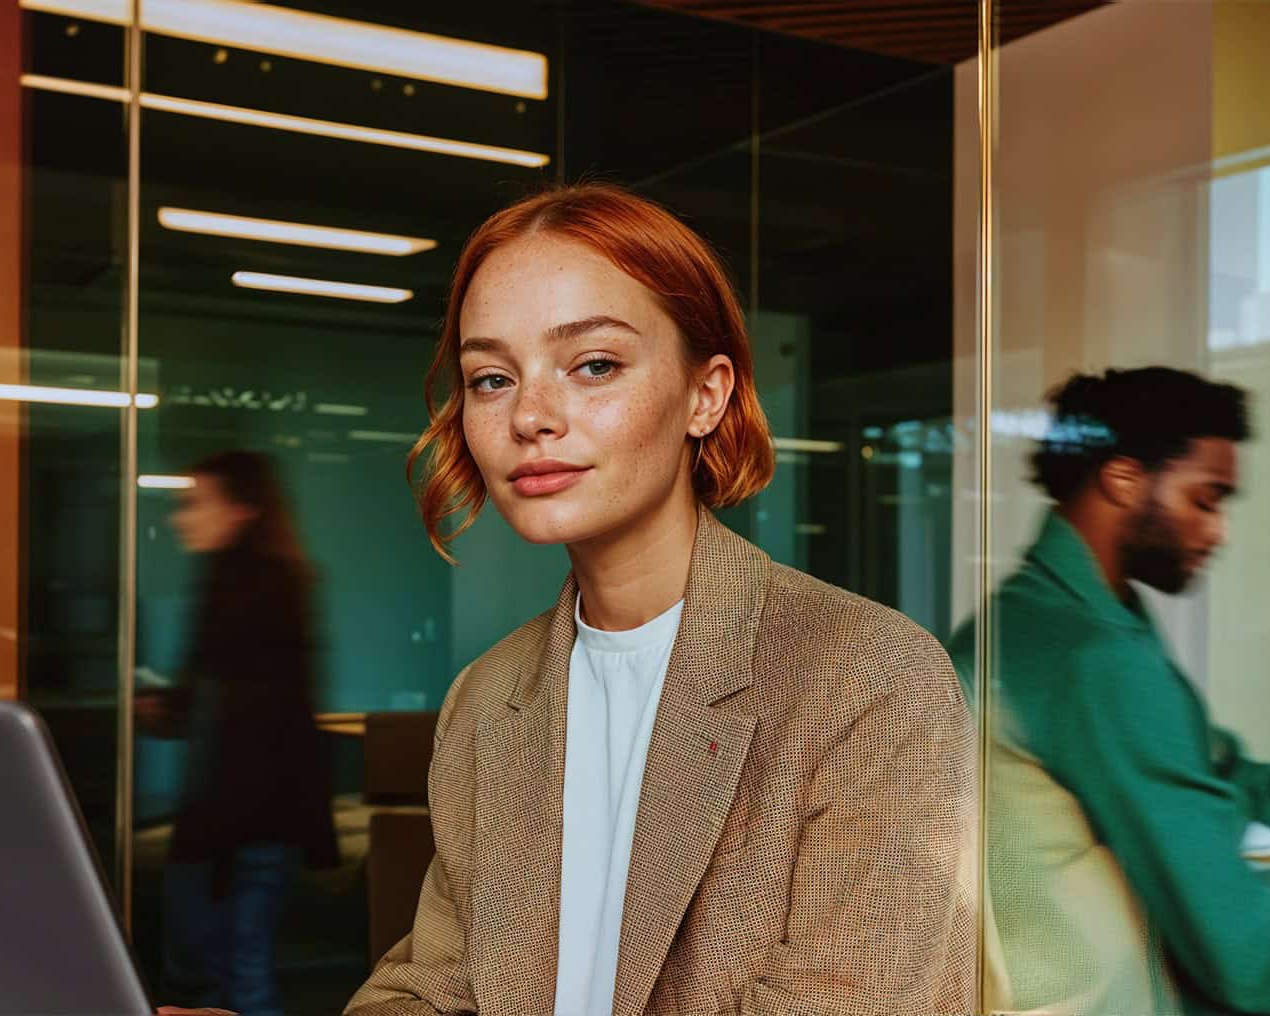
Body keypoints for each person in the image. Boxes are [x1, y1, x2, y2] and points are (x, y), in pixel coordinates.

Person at [333, 183, 977, 1016]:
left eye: (593, 364)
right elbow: (435, 988)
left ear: (706, 395)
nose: (531, 415)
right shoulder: (487, 699)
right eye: (491, 378)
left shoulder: (866, 678)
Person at [948, 368, 1270, 1015]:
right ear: (1124, 479)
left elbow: (1207, 765)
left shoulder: (1046, 614)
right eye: (1205, 500)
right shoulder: (1088, 655)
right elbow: (1251, 954)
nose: (1218, 533)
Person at [139, 450, 340, 1016]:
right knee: (237, 972)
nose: (182, 518)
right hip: (252, 819)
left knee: (232, 977)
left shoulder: (250, 587)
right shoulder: (260, 579)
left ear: (240, 510)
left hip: (244, 820)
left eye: (195, 503)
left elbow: (253, 716)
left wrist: (173, 709)